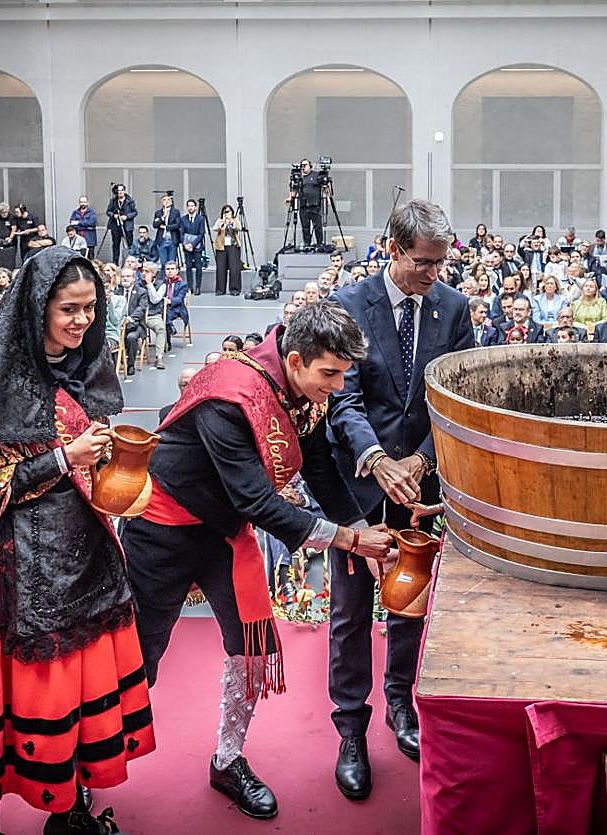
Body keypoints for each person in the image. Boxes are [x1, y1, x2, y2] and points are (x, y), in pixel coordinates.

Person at [122, 302, 389, 820]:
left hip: (223, 533)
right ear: (293, 359)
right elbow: (255, 500)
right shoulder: (228, 392)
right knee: (137, 654)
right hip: (163, 530)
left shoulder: (304, 392)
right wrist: (349, 543)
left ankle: (227, 759)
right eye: (329, 374)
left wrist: (359, 525)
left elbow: (317, 467)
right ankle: (87, 765)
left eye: (343, 375)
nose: (337, 387)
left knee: (250, 647)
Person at [0, 247, 152, 835]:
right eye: (68, 309)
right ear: (37, 311)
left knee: (74, 691)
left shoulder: (89, 369)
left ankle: (69, 807)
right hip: (13, 562)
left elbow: (97, 456)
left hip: (83, 551)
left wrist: (106, 460)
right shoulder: (3, 376)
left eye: (90, 308)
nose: (82, 321)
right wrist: (65, 457)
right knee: (5, 692)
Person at [327, 199, 475, 800]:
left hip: (422, 484)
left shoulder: (453, 309)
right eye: (422, 262)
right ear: (392, 249)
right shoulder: (349, 304)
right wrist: (378, 461)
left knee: (410, 603)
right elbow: (343, 400)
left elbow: (456, 401)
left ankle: (402, 706)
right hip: (358, 484)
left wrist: (419, 462)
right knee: (351, 608)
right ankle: (351, 729)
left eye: (440, 263)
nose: (433, 274)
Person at [287, 159, 328, 247]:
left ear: (310, 166)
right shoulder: (299, 177)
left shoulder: (316, 175)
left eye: (305, 165)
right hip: (303, 206)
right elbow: (295, 189)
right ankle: (307, 244)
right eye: (302, 165)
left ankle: (319, 244)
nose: (303, 167)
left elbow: (325, 187)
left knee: (318, 227)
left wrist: (328, 198)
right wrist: (290, 198)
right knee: (305, 227)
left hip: (315, 206)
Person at [178, 200, 208, 295]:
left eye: (192, 206)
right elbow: (181, 233)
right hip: (187, 247)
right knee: (188, 267)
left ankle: (198, 287)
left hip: (197, 247)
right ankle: (190, 287)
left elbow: (201, 233)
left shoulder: (200, 219)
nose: (190, 207)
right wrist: (186, 244)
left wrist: (192, 244)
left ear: (195, 207)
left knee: (199, 267)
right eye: (188, 206)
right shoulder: (183, 219)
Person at [212, 205, 243, 296]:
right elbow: (215, 228)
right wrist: (224, 223)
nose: (227, 213)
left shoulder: (235, 220)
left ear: (232, 212)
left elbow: (239, 228)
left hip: (233, 246)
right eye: (225, 212)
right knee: (221, 268)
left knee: (234, 268)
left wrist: (231, 223)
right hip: (221, 246)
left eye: (228, 211)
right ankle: (220, 289)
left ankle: (234, 289)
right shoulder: (220, 220)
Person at [105, 183, 138, 265]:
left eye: (121, 190)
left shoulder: (130, 201)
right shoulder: (113, 201)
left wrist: (126, 217)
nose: (120, 192)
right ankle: (115, 263)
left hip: (127, 226)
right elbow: (108, 212)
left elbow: (135, 212)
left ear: (124, 191)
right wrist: (114, 215)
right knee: (115, 245)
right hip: (115, 226)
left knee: (128, 245)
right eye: (118, 190)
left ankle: (129, 262)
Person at [152, 193, 181, 268]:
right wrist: (163, 217)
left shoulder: (176, 212)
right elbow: (155, 225)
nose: (166, 201)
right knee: (163, 263)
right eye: (164, 200)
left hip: (172, 240)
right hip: (162, 240)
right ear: (162, 202)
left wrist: (166, 227)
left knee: (172, 263)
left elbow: (177, 225)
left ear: (171, 202)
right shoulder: (158, 213)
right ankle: (164, 279)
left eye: (168, 200)